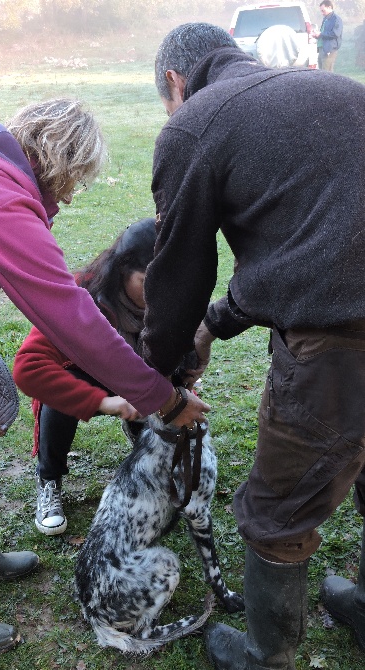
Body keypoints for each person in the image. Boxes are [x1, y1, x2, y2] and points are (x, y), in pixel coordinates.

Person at [0, 98, 209, 655]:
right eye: (76, 180)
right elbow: (70, 316)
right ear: (59, 163)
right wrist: (160, 399)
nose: (72, 196)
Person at [141, 22, 365, 670]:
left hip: (342, 347)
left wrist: (163, 371)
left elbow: (177, 272)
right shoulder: (333, 90)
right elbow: (308, 252)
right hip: (345, 309)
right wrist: (215, 327)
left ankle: (266, 658)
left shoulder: (194, 124)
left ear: (174, 83)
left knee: (276, 513)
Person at [14, 217, 167, 536]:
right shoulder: (79, 294)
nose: (158, 294)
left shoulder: (174, 296)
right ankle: (49, 479)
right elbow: (30, 366)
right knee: (59, 396)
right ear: (124, 269)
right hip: (89, 378)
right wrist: (106, 402)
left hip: (141, 375)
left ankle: (142, 430)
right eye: (148, 281)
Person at [313, 0, 343, 71]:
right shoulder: (326, 19)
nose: (322, 13)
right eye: (321, 11)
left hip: (329, 50)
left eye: (323, 10)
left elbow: (336, 33)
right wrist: (317, 34)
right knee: (322, 73)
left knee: (327, 75)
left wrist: (321, 34)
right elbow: (324, 33)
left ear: (329, 7)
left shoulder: (336, 19)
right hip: (321, 49)